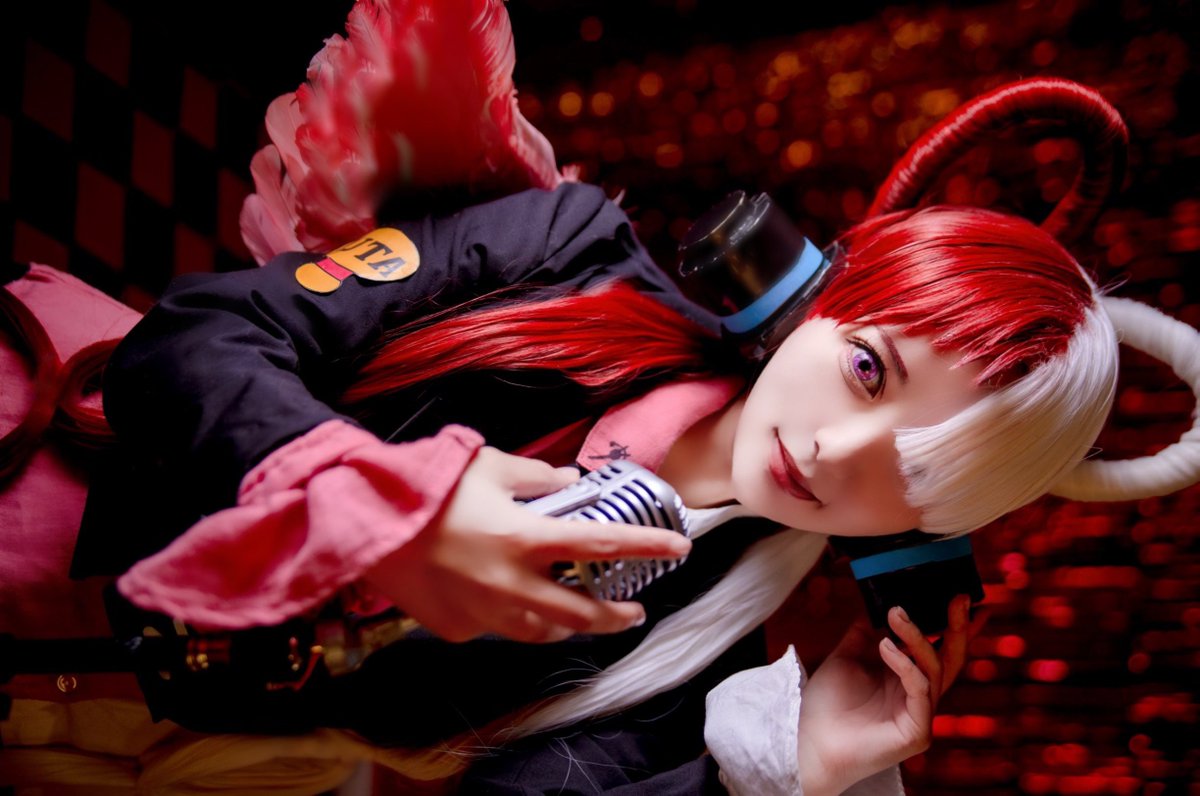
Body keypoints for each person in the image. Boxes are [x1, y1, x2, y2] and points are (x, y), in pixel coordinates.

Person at [3, 2, 1198, 794]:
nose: (841, 452)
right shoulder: (571, 250)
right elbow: (201, 338)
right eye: (870, 369)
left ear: (926, 540)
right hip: (42, 472)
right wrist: (383, 505)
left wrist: (784, 772)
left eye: (915, 471)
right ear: (814, 293)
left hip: (104, 742)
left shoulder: (692, 657)